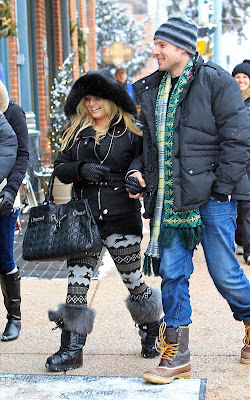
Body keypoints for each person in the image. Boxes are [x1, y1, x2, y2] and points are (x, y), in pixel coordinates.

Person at [126, 14, 250, 384]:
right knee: (173, 273)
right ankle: (177, 353)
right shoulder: (150, 88)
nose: (156, 51)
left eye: (161, 45)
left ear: (181, 46)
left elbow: (239, 140)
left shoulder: (216, 81)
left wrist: (222, 188)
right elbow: (148, 145)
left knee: (225, 274)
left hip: (212, 197)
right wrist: (138, 172)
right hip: (170, 200)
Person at [45, 67, 162, 372]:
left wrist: (136, 176)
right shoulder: (76, 130)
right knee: (76, 284)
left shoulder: (132, 130)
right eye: (86, 98)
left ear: (110, 98)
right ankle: (71, 350)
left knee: (134, 282)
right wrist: (80, 169)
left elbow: (144, 161)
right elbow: (60, 167)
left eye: (97, 97)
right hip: (84, 221)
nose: (91, 103)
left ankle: (151, 329)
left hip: (121, 219)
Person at [0, 64, 29, 342]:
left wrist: (10, 190)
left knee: (4, 258)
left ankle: (14, 318)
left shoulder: (13, 112)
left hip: (4, 198)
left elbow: (22, 156)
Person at [232, 60, 250, 264]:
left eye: (245, 77)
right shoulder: (228, 99)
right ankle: (240, 240)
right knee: (238, 201)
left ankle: (248, 247)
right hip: (235, 155)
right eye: (238, 77)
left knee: (246, 202)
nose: (241, 80)